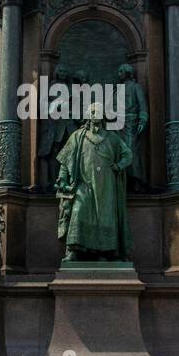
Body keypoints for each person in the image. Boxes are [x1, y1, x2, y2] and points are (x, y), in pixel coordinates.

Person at [55, 103, 132, 261]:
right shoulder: (77, 136)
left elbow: (128, 155)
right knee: (78, 211)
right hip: (84, 184)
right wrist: (62, 178)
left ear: (103, 116)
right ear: (88, 115)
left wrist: (118, 166)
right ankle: (73, 250)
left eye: (98, 112)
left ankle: (104, 252)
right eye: (92, 111)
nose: (95, 114)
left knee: (106, 216)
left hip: (106, 185)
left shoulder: (112, 138)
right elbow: (65, 160)